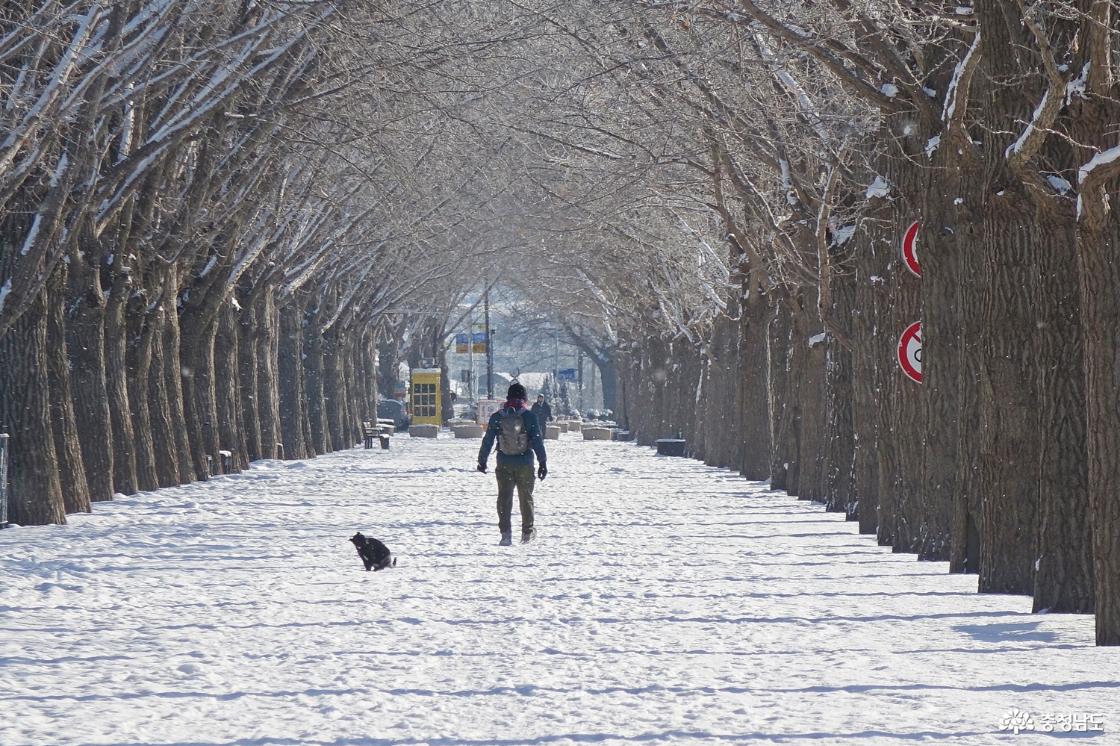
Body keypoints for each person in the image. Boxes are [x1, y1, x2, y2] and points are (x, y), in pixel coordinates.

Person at [477, 382, 548, 545]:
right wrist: (542, 462)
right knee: (526, 498)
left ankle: (505, 534)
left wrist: (482, 460)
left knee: (504, 498)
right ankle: (527, 532)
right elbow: (537, 441)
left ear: (508, 397)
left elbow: (487, 440)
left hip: (504, 463)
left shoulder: (497, 417)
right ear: (524, 398)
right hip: (525, 463)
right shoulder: (530, 417)